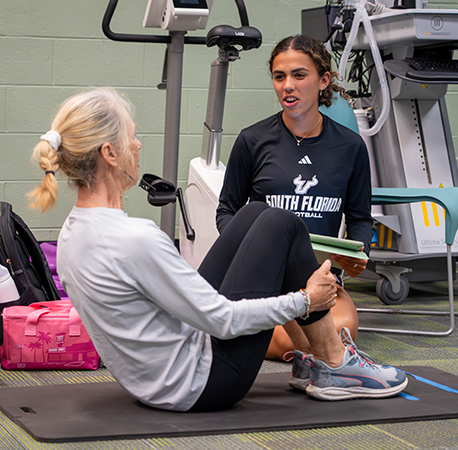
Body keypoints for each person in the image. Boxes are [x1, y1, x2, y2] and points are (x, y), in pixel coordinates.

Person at [27, 88, 407, 412]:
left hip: (156, 378)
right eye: (132, 137)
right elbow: (222, 320)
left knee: (259, 213)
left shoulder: (72, 233)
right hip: (205, 383)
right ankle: (336, 363)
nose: (138, 145)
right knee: (285, 223)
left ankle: (317, 363)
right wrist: (306, 300)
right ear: (109, 153)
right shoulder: (136, 237)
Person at [216, 35, 373, 361]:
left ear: (323, 80)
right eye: (279, 76)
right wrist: (248, 249)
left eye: (299, 75)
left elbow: (359, 219)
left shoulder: (351, 147)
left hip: (320, 278)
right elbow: (227, 211)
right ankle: (308, 350)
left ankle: (306, 348)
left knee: (341, 331)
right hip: (266, 282)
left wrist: (359, 253)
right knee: (301, 342)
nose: (288, 85)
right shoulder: (252, 140)